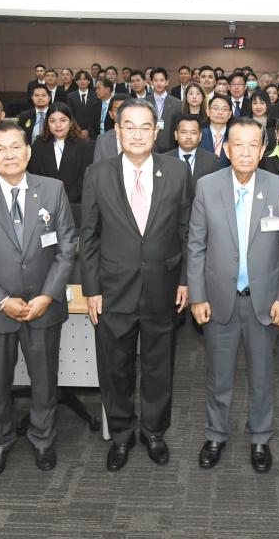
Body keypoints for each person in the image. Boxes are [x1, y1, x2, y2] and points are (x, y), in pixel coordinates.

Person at [0, 121, 76, 477]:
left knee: (44, 380)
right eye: (0, 149)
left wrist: (47, 296)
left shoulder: (53, 189)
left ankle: (43, 439)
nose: (9, 155)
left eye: (16, 147)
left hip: (43, 306)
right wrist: (1, 300)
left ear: (28, 151)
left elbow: (67, 248)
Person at [79, 99, 190, 472]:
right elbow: (88, 236)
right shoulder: (97, 174)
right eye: (130, 126)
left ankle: (154, 432)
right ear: (117, 130)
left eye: (145, 126)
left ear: (156, 132)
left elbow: (186, 230)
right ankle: (121, 435)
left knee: (160, 366)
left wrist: (186, 280)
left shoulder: (177, 172)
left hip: (163, 286)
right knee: (116, 368)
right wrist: (91, 289)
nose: (138, 134)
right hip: (113, 290)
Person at [188, 118, 279, 473]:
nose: (246, 152)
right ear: (226, 148)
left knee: (262, 376)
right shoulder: (207, 187)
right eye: (238, 144)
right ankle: (215, 434)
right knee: (218, 376)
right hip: (218, 298)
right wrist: (197, 296)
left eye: (254, 144)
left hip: (264, 301)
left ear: (263, 149)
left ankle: (260, 438)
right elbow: (195, 246)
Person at [26, 102, 90, 204]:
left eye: (63, 120)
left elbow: (86, 179)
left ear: (71, 122)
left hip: (75, 203)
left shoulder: (83, 145)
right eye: (52, 121)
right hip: (44, 202)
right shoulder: (38, 145)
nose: (58, 125)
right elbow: (34, 176)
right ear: (47, 124)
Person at [166, 113, 221, 194]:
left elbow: (215, 190)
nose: (189, 137)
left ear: (200, 136)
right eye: (184, 132)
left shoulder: (211, 160)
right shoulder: (165, 160)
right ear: (176, 135)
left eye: (193, 132)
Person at [143, 67, 182, 152]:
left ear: (167, 82)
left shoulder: (178, 103)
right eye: (155, 80)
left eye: (162, 80)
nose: (159, 83)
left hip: (170, 148)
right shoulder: (144, 102)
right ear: (151, 82)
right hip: (148, 146)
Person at [92, 93, 131, 164]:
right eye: (117, 110)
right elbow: (97, 167)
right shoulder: (102, 140)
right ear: (111, 114)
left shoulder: (141, 137)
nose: (121, 114)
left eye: (125, 109)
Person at [200, 94, 232, 166]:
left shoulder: (235, 136)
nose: (220, 112)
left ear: (230, 114)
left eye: (224, 109)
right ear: (208, 111)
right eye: (216, 108)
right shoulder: (199, 135)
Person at [65, 70, 98, 138]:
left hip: (92, 133)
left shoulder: (96, 96)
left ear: (89, 81)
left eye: (84, 79)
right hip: (75, 132)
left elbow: (96, 115)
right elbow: (70, 115)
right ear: (76, 81)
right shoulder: (70, 96)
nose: (82, 81)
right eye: (79, 79)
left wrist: (88, 131)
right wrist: (77, 129)